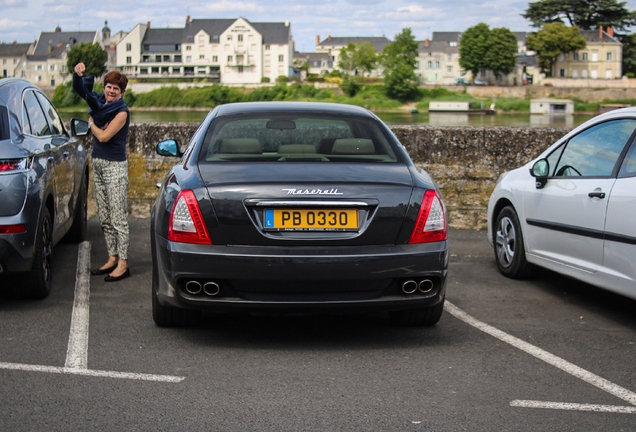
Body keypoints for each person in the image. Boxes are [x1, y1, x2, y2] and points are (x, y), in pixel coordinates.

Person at [73, 62, 131, 282]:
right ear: (104, 87)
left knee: (118, 218)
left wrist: (90, 124)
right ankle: (112, 257)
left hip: (115, 167)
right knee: (105, 217)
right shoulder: (98, 103)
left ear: (122, 92)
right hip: (98, 163)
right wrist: (78, 74)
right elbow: (82, 90)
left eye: (116, 88)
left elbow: (104, 136)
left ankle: (124, 263)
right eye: (108, 86)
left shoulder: (122, 112)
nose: (111, 90)